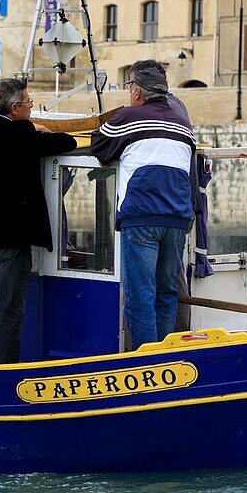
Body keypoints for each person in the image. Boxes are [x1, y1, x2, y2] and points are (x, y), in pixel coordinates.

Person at [0, 78, 77, 364]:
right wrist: (38, 129)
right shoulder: (23, 134)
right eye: (29, 104)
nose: (31, 108)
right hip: (8, 242)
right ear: (14, 108)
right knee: (10, 314)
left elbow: (6, 132)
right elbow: (68, 142)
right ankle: (2, 375)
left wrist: (30, 128)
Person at [90, 61, 196, 350]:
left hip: (141, 216)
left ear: (137, 93)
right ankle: (164, 357)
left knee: (140, 296)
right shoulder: (185, 126)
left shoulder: (128, 117)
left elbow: (99, 144)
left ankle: (146, 360)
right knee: (166, 293)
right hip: (177, 219)